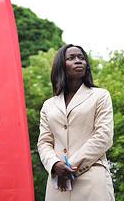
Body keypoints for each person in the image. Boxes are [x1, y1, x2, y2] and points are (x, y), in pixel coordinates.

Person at [37, 44, 114, 201]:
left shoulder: (100, 96)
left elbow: (104, 136)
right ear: (61, 66)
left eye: (81, 58)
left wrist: (69, 168)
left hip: (91, 179)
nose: (78, 61)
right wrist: (55, 165)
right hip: (58, 186)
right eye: (71, 58)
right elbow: (44, 142)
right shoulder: (48, 105)